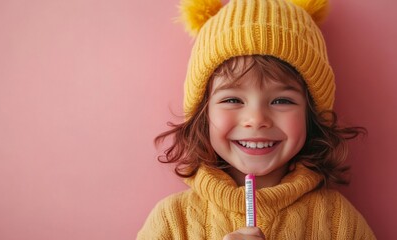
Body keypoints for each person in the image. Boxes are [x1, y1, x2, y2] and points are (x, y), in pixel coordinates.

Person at [138, 0, 376, 239]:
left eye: (282, 101)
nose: (256, 119)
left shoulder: (340, 222)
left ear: (311, 114)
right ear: (203, 112)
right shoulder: (171, 221)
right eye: (232, 100)